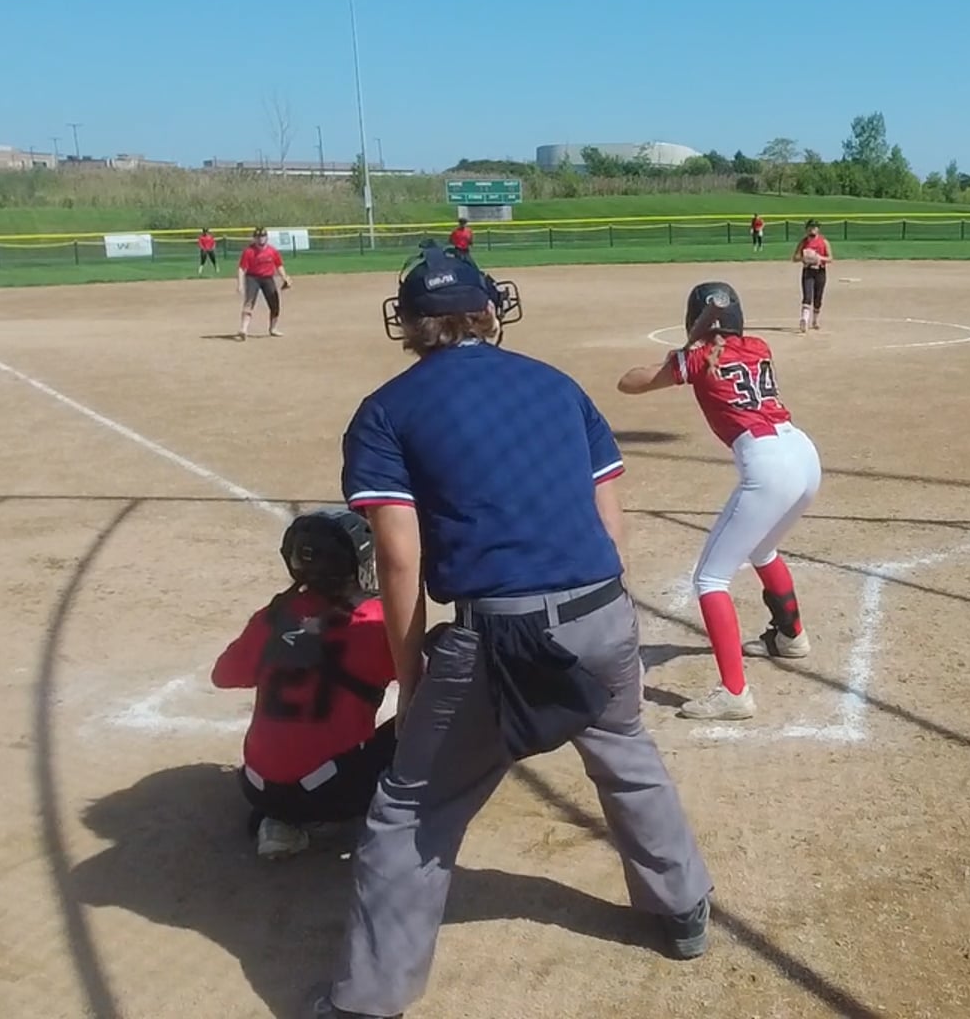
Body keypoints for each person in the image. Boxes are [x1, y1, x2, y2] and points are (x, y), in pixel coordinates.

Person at [319, 245, 712, 1019]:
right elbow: (610, 521)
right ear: (489, 312)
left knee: (411, 806)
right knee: (625, 749)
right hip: (602, 609)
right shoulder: (557, 385)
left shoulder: (387, 410)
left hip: (496, 637)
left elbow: (399, 559)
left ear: (409, 323)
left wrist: (411, 678)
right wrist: (606, 619)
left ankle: (368, 1000)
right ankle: (683, 908)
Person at [616, 282, 822, 721]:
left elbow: (628, 383)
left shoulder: (696, 359)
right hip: (804, 455)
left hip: (768, 464)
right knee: (762, 548)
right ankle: (791, 637)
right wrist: (688, 353)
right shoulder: (759, 346)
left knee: (710, 580)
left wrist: (679, 355)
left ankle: (734, 693)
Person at [210, 509, 397, 860]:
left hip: (258, 789)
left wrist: (292, 641)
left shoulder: (274, 615)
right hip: (332, 793)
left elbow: (223, 675)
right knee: (422, 720)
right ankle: (400, 824)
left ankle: (281, 821)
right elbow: (429, 682)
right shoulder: (374, 622)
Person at [235, 227, 292, 341]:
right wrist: (240, 284)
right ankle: (243, 329)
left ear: (266, 237)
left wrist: (284, 278)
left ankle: (273, 328)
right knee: (249, 302)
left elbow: (279, 265)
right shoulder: (249, 251)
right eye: (258, 237)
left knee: (274, 304)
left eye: (263, 236)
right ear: (254, 238)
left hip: (267, 278)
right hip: (252, 278)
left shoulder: (272, 251)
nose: (260, 239)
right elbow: (242, 268)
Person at [791, 220, 832, 333]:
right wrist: (803, 258)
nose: (812, 229)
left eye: (815, 227)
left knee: (818, 298)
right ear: (806, 229)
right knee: (807, 295)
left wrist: (819, 258)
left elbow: (830, 258)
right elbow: (794, 258)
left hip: (820, 271)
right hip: (808, 271)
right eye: (810, 227)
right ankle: (804, 319)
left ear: (818, 229)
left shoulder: (824, 242)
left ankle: (815, 320)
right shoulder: (803, 242)